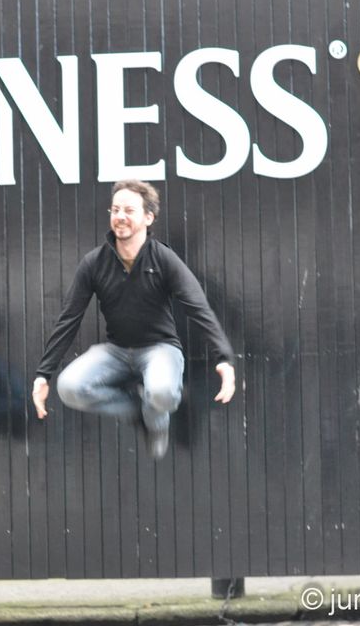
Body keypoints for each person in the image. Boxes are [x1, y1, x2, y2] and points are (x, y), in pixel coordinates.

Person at [30, 180, 236, 459]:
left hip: (160, 350)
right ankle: (137, 407)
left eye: (129, 210)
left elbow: (198, 307)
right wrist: (44, 374)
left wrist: (223, 358)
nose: (120, 217)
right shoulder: (95, 262)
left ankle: (157, 418)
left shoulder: (163, 259)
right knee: (69, 388)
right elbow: (69, 318)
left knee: (162, 394)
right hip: (115, 352)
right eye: (115, 210)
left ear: (148, 218)